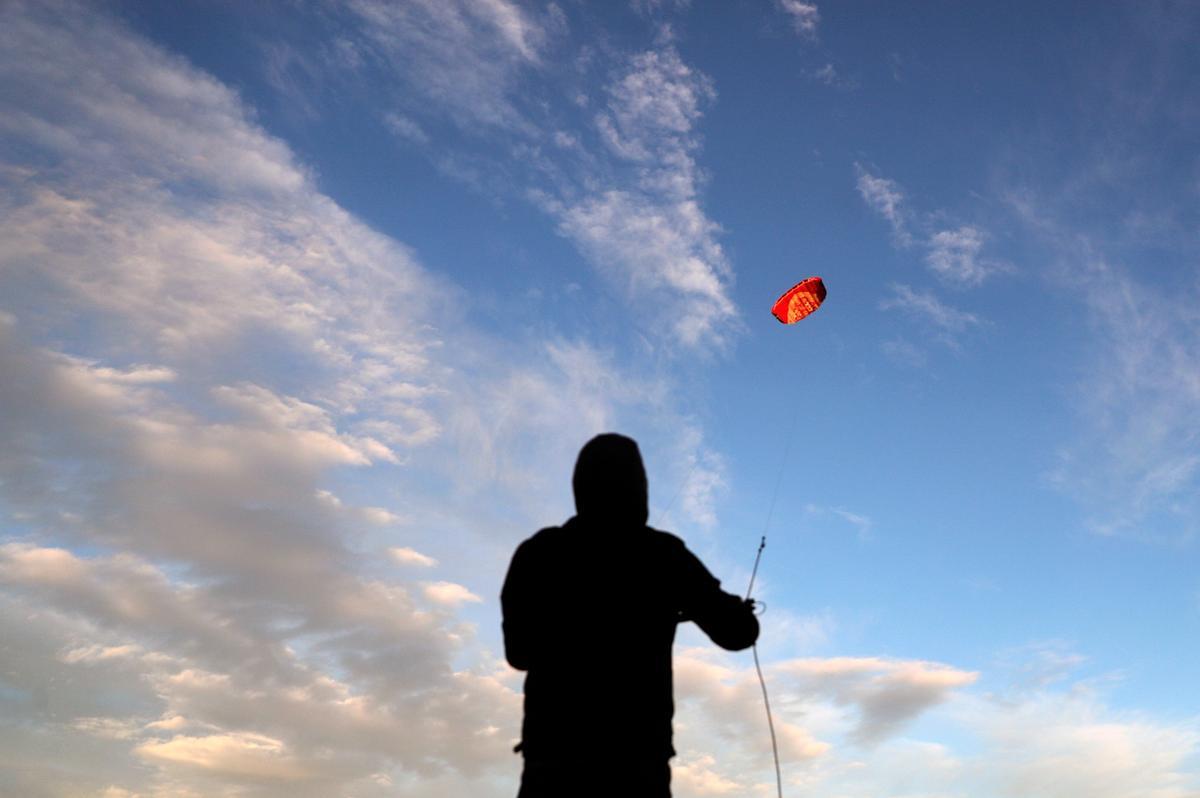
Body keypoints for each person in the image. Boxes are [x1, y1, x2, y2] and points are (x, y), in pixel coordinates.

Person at [501, 433, 759, 798]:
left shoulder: (537, 553)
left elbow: (518, 653)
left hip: (552, 765)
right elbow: (739, 633)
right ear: (639, 488)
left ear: (580, 486)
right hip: (638, 769)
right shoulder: (663, 554)